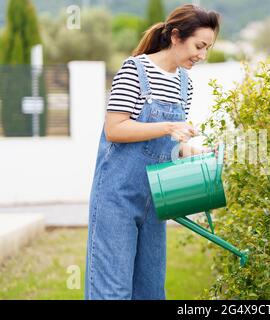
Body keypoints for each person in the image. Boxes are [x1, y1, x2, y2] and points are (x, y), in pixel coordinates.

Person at [85, 4, 220, 300]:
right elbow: (115, 129)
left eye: (207, 48)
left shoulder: (185, 84)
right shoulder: (135, 70)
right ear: (175, 36)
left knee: (150, 292)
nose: (202, 55)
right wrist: (168, 127)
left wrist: (196, 151)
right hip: (117, 198)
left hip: (157, 201)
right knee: (112, 292)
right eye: (199, 46)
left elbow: (173, 143)